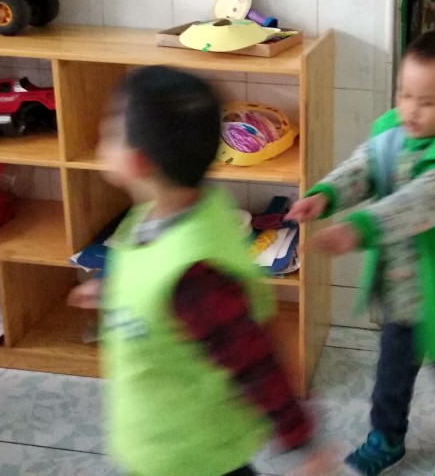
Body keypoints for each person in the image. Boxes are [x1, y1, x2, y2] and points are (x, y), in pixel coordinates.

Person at [67, 67, 326, 476]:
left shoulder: (194, 275)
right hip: (165, 440)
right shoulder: (179, 211)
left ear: (137, 162)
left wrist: (303, 444)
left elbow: (254, 360)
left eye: (110, 131)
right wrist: (113, 290)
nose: (101, 136)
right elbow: (150, 269)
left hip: (188, 453)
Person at [289, 28, 435, 476]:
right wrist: (326, 195)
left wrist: (358, 229)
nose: (410, 110)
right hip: (401, 298)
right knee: (390, 381)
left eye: (427, 102)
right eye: (405, 95)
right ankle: (387, 438)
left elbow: (414, 205)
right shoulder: (393, 133)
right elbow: (364, 167)